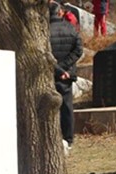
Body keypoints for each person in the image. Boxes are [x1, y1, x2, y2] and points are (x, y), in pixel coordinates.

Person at [49, 2, 83, 153]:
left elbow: (44, 55)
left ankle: (52, 138)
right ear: (60, 12)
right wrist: (65, 68)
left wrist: (57, 68)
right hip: (66, 75)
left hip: (50, 73)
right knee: (67, 107)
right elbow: (78, 50)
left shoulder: (44, 31)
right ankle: (68, 139)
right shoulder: (71, 28)